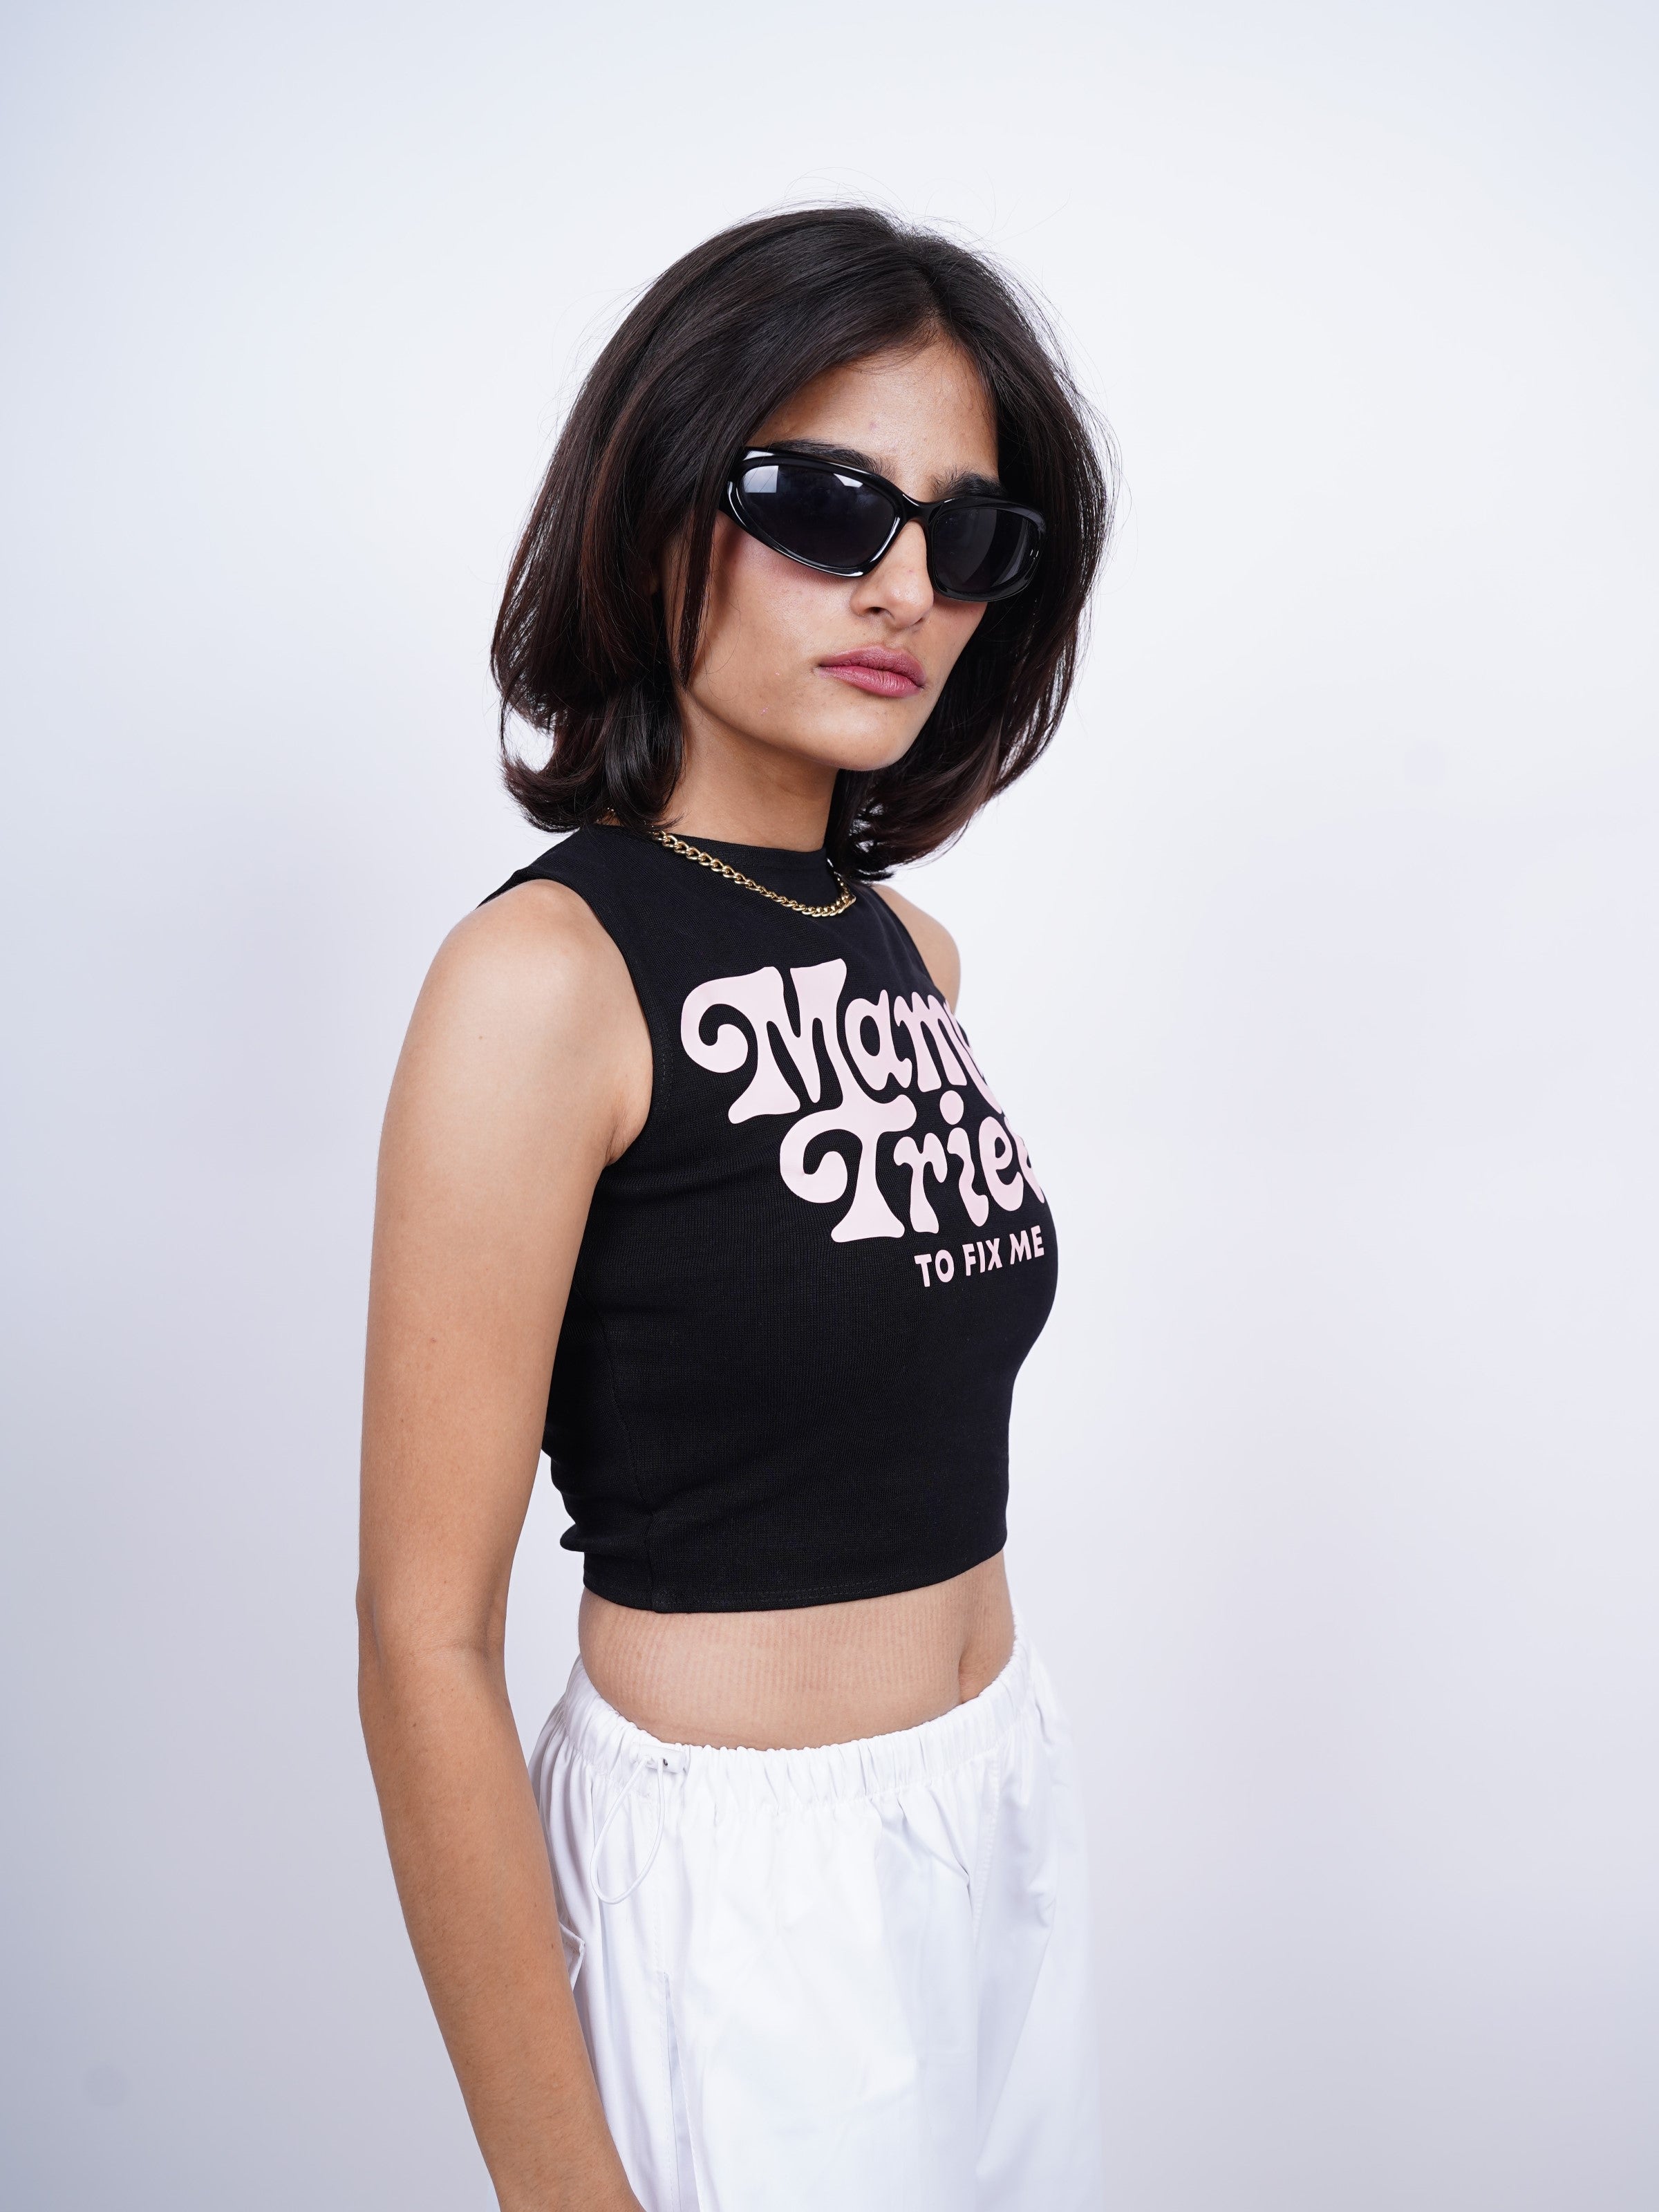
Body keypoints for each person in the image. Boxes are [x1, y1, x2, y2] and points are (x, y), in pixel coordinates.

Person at [357, 204, 1114, 2212]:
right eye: (825, 505)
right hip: (745, 1897)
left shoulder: (915, 955)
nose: (904, 588)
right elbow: (422, 1638)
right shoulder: (544, 981)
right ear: (658, 508)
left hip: (998, 1808)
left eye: (968, 537)